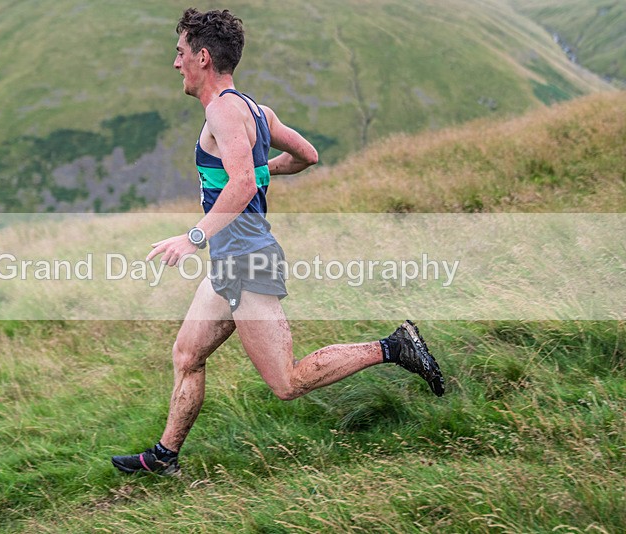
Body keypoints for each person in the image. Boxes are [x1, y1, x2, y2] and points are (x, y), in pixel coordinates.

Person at [111, 8, 444, 476]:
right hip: (229, 262)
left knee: (287, 382)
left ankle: (394, 347)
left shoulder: (222, 111)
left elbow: (243, 183)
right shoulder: (255, 111)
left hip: (248, 261)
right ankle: (165, 457)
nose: (176, 62)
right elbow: (306, 155)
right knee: (187, 355)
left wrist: (193, 237)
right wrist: (258, 170)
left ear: (203, 57)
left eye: (181, 52)